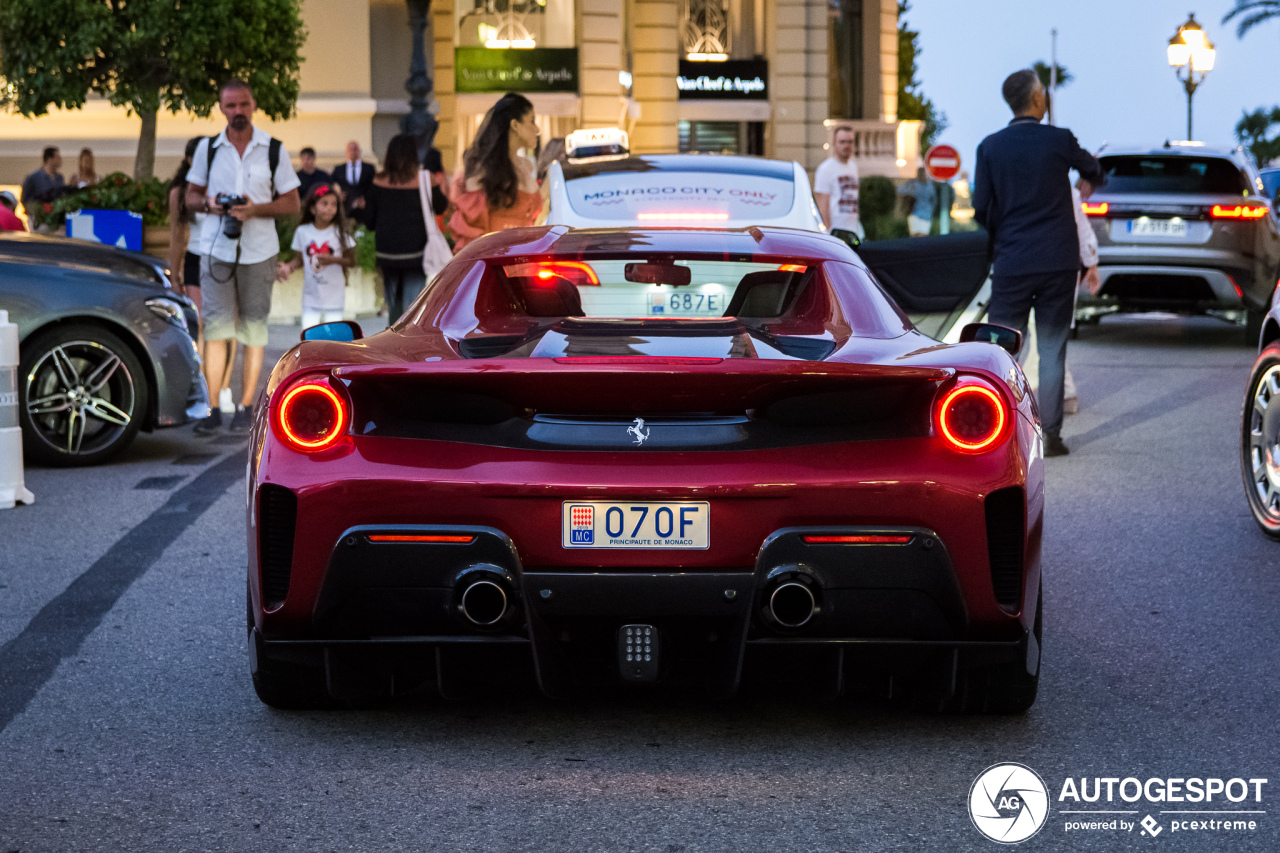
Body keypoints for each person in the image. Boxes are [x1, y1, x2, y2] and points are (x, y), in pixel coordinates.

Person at [973, 69, 1104, 458]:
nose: (1046, 97)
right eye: (1043, 92)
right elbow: (1095, 169)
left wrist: (1005, 232)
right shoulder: (1058, 140)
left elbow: (981, 208)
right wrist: (1085, 185)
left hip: (1013, 261)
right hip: (1058, 261)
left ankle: (996, 431)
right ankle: (1051, 437)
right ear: (1035, 99)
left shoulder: (990, 147)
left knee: (1001, 348)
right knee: (1052, 348)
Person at [185, 79, 301, 436]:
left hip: (259, 251)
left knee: (253, 328)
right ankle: (213, 408)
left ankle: (248, 406)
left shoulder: (273, 149)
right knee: (216, 328)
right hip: (216, 248)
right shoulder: (207, 148)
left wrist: (254, 210)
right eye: (231, 105)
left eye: (243, 105)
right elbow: (189, 198)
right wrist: (211, 205)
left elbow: (292, 204)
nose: (238, 112)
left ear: (253, 105)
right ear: (221, 108)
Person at [364, 134, 448, 321]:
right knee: (412, 306)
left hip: (387, 253)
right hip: (416, 254)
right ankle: (406, 343)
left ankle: (392, 339)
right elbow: (441, 206)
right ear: (413, 155)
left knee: (393, 305)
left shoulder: (377, 182)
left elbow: (369, 221)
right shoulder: (426, 179)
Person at [449, 93, 542, 253]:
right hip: (494, 264)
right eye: (532, 121)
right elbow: (472, 236)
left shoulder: (524, 166)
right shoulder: (481, 170)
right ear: (515, 125)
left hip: (525, 259)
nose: (537, 129)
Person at [277, 184, 355, 328]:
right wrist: (289, 267)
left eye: (334, 204)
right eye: (324, 204)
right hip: (311, 296)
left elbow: (352, 261)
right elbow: (300, 260)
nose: (330, 208)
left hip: (334, 296)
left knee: (334, 338)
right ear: (313, 208)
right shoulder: (302, 232)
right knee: (309, 336)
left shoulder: (340, 233)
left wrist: (333, 260)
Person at [813, 125, 862, 238]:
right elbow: (822, 205)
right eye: (842, 142)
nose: (846, 146)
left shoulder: (853, 167)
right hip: (835, 233)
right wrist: (828, 232)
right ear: (834, 144)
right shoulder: (826, 169)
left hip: (853, 233)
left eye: (850, 142)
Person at [331, 140, 374, 225]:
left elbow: (373, 186)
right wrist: (336, 194)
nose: (353, 152)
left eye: (355, 149)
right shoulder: (339, 169)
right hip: (345, 208)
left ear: (359, 151)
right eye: (350, 149)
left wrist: (367, 199)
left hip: (363, 208)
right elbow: (329, 184)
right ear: (346, 152)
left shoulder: (369, 168)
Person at [20, 147, 64, 220]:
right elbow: (24, 198)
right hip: (38, 217)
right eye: (57, 157)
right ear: (50, 159)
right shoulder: (33, 177)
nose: (60, 160)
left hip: (55, 218)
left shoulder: (59, 178)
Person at [898, 167, 936, 237]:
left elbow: (901, 190)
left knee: (914, 237)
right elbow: (933, 199)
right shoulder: (930, 185)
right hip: (927, 214)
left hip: (915, 213)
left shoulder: (913, 184)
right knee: (924, 237)